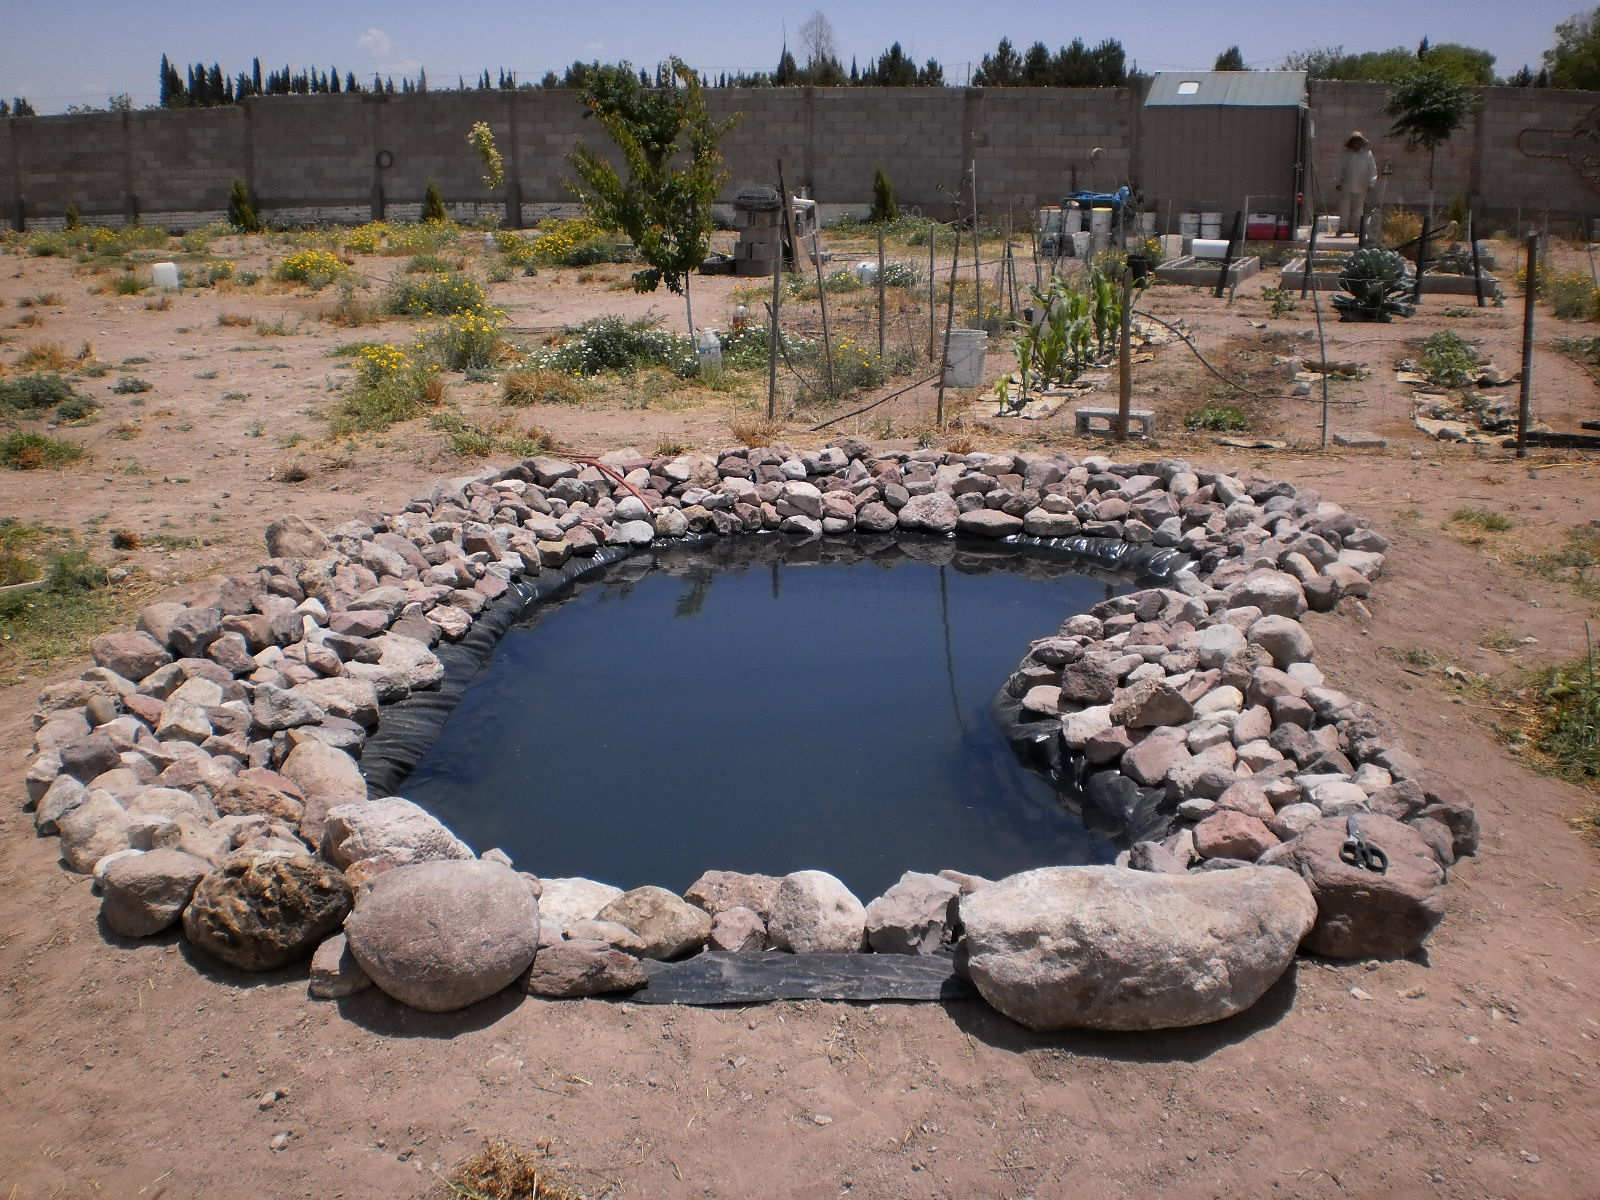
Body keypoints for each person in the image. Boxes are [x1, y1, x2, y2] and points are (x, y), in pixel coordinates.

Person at [1335, 132, 1378, 240]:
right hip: (1347, 185)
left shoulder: (1368, 154)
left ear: (1362, 142)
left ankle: (1357, 229)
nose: (1356, 143)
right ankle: (1343, 228)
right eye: (1354, 141)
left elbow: (1372, 170)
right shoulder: (1346, 154)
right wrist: (1338, 182)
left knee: (1358, 209)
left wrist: (1371, 183)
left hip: (1361, 185)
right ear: (1351, 142)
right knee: (1344, 207)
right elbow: (1340, 168)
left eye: (1358, 141)